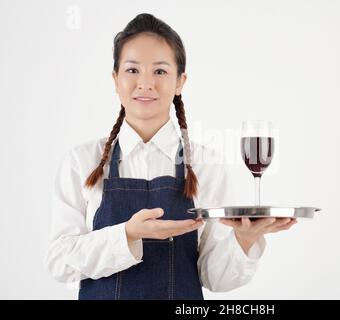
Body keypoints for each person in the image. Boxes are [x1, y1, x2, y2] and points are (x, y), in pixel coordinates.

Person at [45, 13, 297, 300]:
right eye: (132, 70)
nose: (145, 83)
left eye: (160, 71)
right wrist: (127, 234)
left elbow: (214, 278)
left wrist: (244, 239)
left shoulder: (207, 165)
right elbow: (60, 262)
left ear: (180, 81)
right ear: (115, 80)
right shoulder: (81, 162)